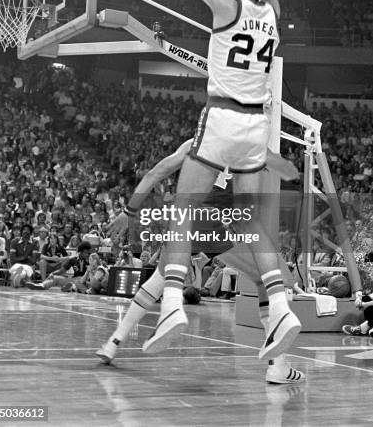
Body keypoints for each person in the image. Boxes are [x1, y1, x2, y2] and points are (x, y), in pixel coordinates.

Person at [144, 0, 300, 359]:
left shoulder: (225, 10)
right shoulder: (272, 14)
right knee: (255, 225)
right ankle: (281, 307)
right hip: (256, 125)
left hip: (222, 118)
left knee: (183, 208)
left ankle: (173, 301)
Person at [96, 139, 305, 384]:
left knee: (158, 280)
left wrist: (128, 212)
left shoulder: (195, 143)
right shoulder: (247, 146)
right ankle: (278, 365)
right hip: (220, 226)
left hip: (188, 222)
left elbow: (156, 172)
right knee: (264, 282)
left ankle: (113, 342)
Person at [25, 241, 92, 292]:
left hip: (85, 282)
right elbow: (61, 271)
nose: (87, 255)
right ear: (80, 252)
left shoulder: (91, 260)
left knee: (78, 282)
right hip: (74, 280)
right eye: (85, 253)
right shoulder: (73, 259)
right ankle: (41, 285)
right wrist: (53, 274)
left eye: (88, 253)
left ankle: (71, 288)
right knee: (55, 278)